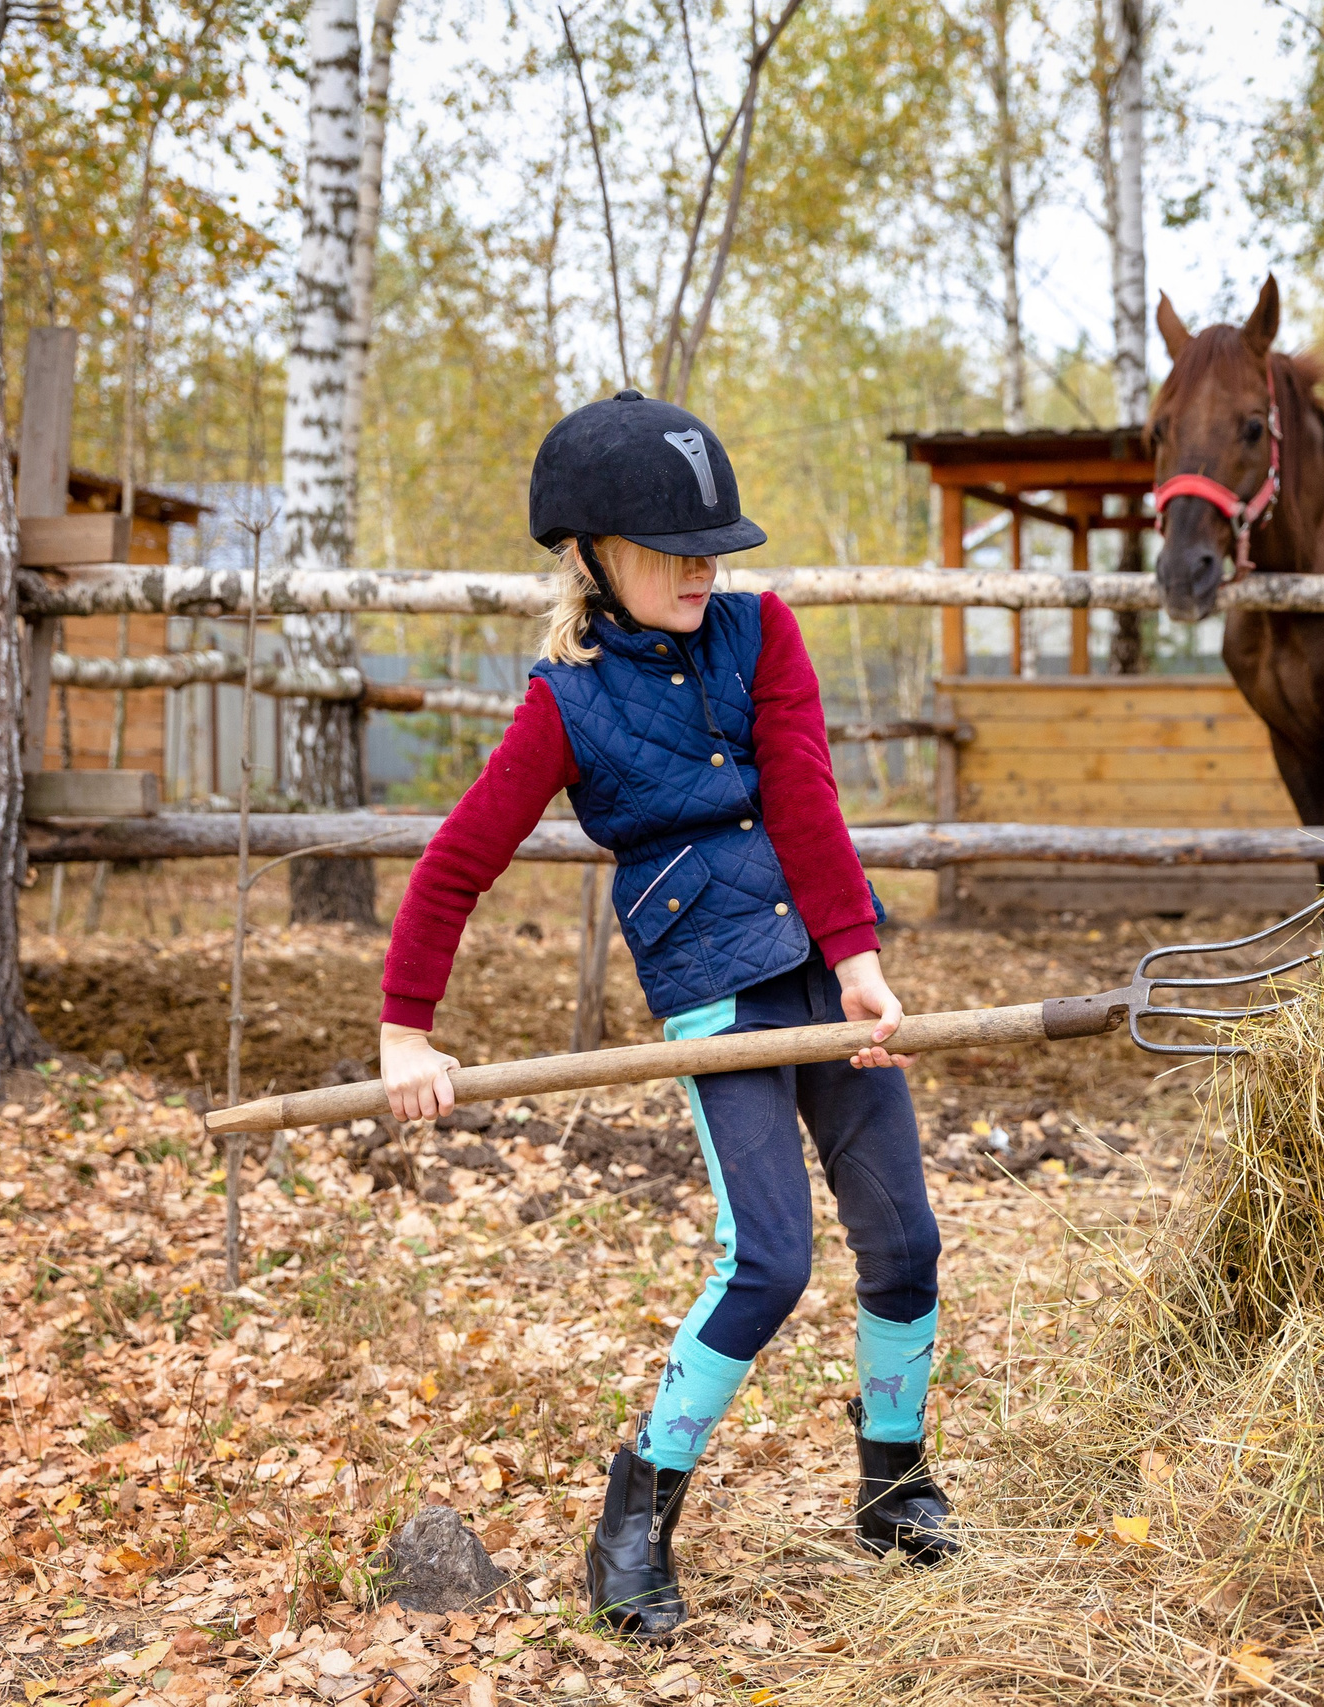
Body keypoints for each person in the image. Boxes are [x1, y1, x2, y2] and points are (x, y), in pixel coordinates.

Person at [375, 390, 957, 1640]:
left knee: (904, 1239)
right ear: (592, 556)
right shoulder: (564, 705)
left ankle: (894, 1483)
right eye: (672, 551)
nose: (703, 571)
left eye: (714, 549)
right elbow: (454, 866)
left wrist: (856, 957)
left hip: (816, 966)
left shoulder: (763, 636)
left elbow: (802, 795)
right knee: (772, 1259)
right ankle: (633, 1516)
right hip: (712, 993)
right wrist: (404, 1032)